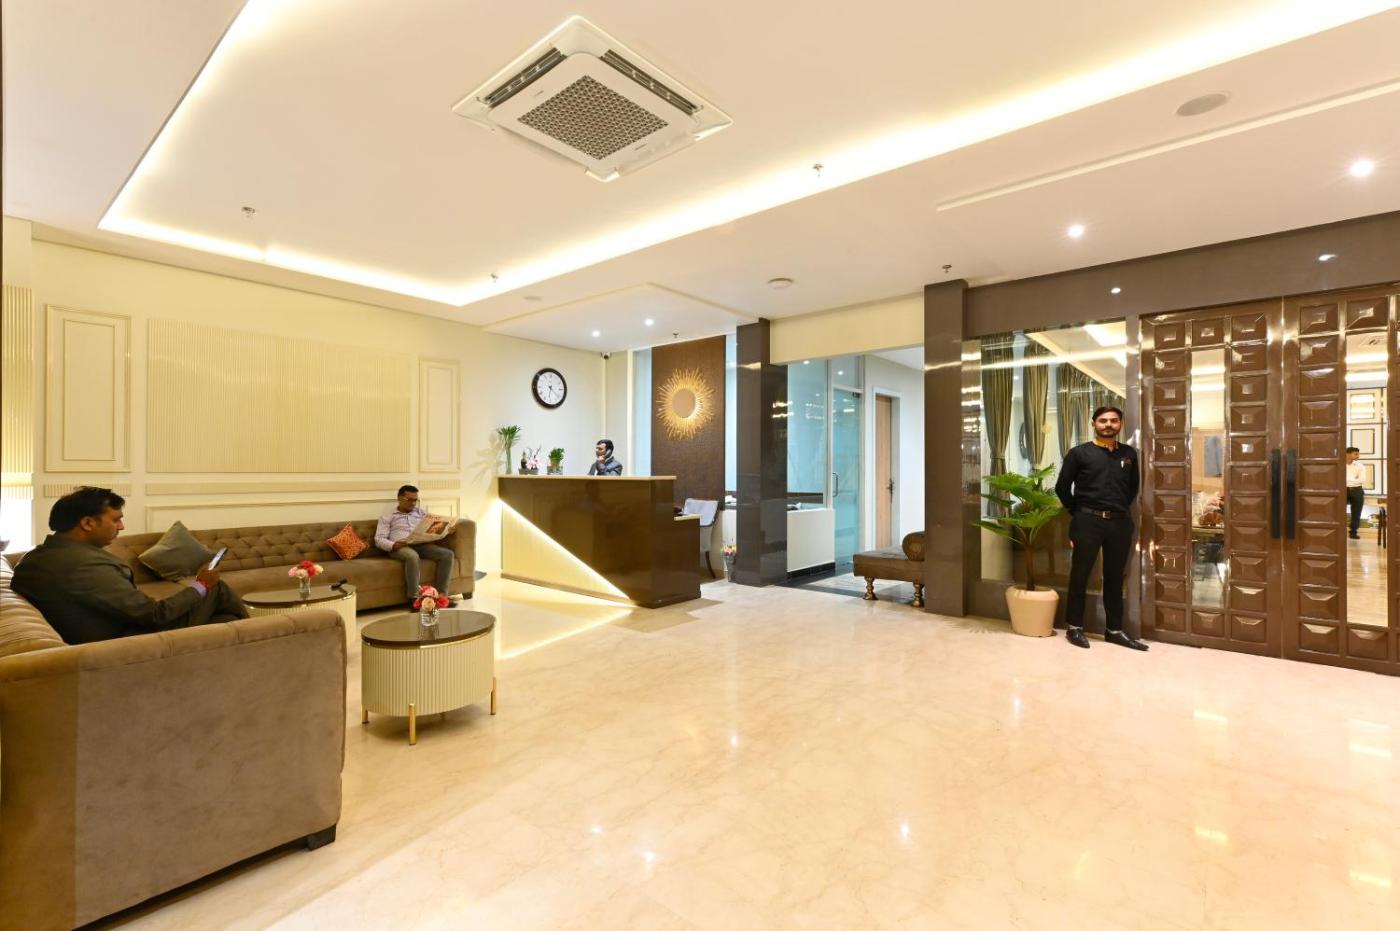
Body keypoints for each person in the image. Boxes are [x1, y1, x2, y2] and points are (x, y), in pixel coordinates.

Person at [11, 486, 248, 644]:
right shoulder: (83, 567)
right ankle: (258, 643)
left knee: (225, 620)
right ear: (87, 523)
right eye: (116, 519)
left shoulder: (32, 559)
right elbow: (155, 615)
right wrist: (201, 584)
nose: (122, 526)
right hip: (132, 644)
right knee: (216, 590)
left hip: (114, 635)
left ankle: (246, 643)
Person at [1054, 406, 1148, 651]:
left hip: (1119, 523)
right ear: (1093, 423)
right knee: (1080, 574)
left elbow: (1132, 488)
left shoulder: (1129, 454)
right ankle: (1074, 627)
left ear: (1120, 424)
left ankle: (1114, 630)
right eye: (1103, 420)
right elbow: (1062, 488)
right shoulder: (1079, 453)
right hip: (1087, 521)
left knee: (1115, 577)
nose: (1108, 424)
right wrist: (1078, 512)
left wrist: (1118, 510)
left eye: (1114, 420)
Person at [374, 484, 458, 605]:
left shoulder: (421, 513)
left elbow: (432, 529)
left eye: (415, 500)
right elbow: (379, 539)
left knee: (447, 554)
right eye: (409, 500)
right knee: (412, 556)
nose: (413, 503)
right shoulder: (387, 517)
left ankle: (441, 597)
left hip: (421, 544)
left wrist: (446, 530)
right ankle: (414, 599)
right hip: (400, 547)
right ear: (399, 498)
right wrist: (393, 545)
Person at [1345, 446, 1366, 540]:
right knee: (1339, 511)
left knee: (1357, 512)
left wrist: (1348, 480)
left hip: (1357, 490)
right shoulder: (1340, 465)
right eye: (1356, 454)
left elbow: (1362, 480)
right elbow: (1339, 479)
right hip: (1343, 490)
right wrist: (1353, 480)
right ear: (1347, 454)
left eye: (1358, 454)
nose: (1358, 456)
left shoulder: (1360, 466)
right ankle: (1339, 530)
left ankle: (1353, 532)